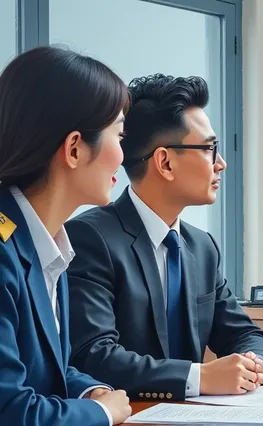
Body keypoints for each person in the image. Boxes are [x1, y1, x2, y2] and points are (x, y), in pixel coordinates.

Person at [66, 74, 263, 402]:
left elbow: (244, 333)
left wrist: (253, 363)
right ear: (164, 161)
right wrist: (200, 376)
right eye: (210, 149)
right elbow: (94, 356)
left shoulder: (203, 246)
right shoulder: (90, 238)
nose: (221, 164)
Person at [0, 46, 132, 425]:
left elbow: (42, 373)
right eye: (119, 136)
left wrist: (91, 390)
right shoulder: (4, 252)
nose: (123, 156)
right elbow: (10, 410)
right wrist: (101, 413)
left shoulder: (48, 244)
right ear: (74, 148)